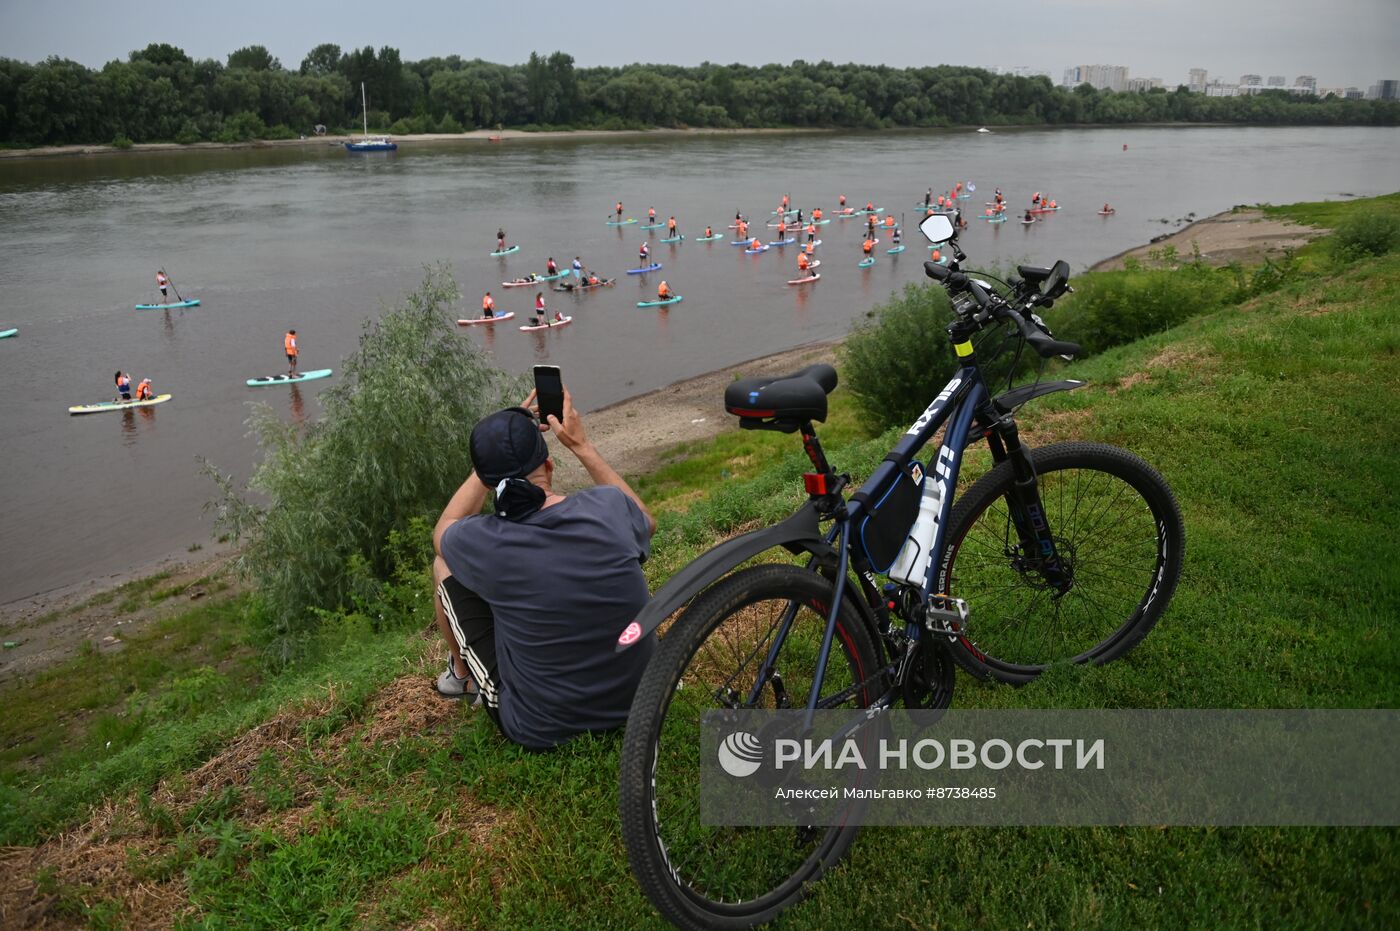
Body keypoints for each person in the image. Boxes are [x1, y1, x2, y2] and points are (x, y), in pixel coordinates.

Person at [431, 393, 657, 750]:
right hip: (645, 701)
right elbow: (646, 520)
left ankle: (461, 677)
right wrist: (581, 446)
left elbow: (444, 528)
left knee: (443, 563)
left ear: (489, 484)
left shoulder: (481, 540)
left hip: (540, 726)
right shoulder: (609, 507)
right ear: (549, 465)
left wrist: (487, 464)